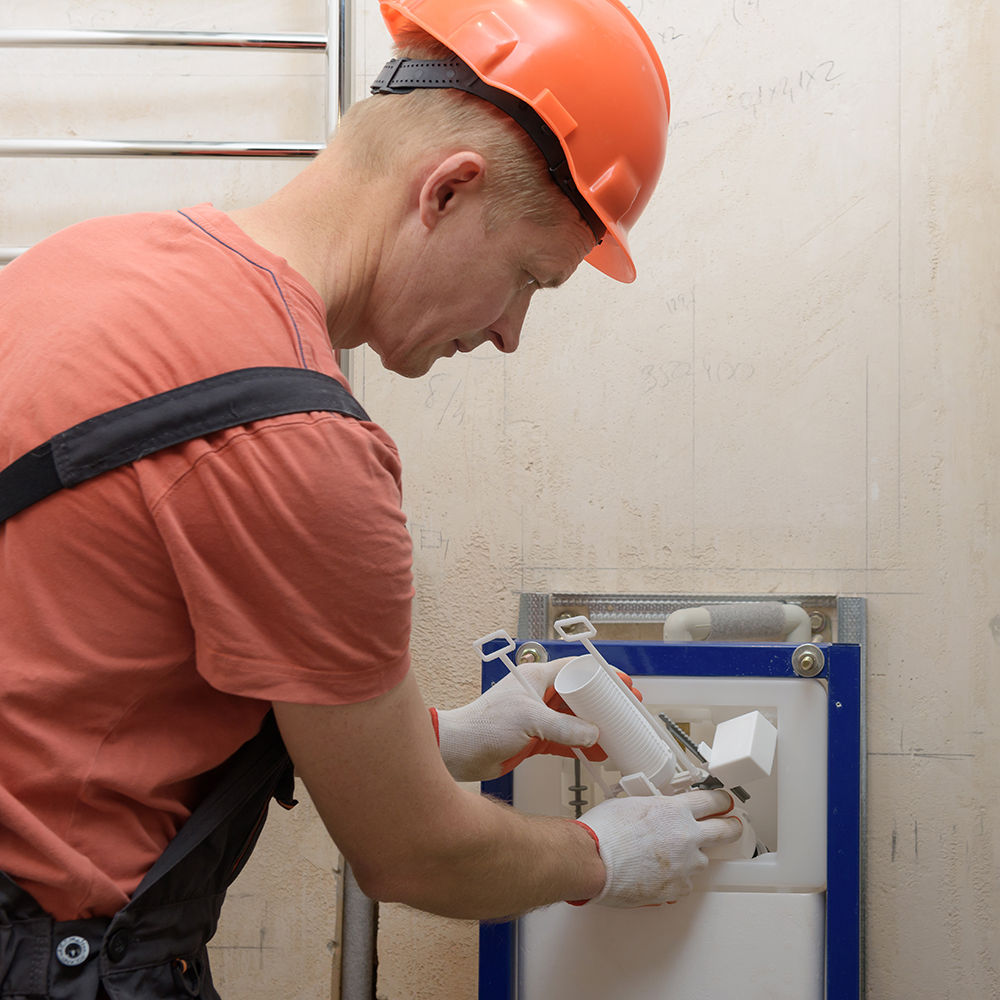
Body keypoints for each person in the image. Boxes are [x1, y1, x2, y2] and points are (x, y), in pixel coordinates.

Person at [0, 0, 742, 996]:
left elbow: (92, 658)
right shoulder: (301, 442)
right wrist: (601, 850)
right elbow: (410, 854)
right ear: (447, 190)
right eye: (526, 277)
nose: (510, 332)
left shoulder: (87, 264)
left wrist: (437, 737)